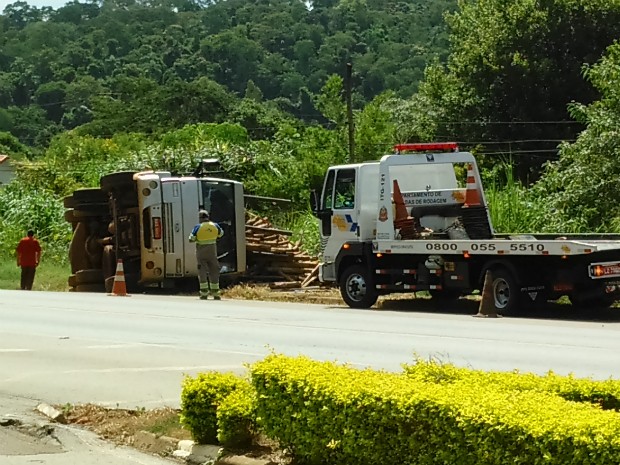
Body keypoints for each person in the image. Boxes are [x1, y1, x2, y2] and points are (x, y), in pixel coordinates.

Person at [189, 210, 224, 300]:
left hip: (201, 253)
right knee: (214, 271)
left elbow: (191, 238)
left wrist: (198, 239)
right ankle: (216, 293)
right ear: (208, 216)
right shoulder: (215, 226)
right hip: (212, 253)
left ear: (200, 218)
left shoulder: (198, 227)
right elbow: (221, 234)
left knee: (202, 271)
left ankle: (204, 293)